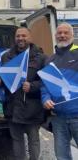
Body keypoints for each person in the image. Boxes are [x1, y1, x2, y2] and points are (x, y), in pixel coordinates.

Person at [0, 27, 46, 160]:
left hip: (32, 108)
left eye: (24, 36)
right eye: (18, 36)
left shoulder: (41, 57)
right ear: (15, 38)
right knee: (17, 140)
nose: (21, 38)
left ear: (30, 38)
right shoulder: (6, 56)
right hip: (13, 107)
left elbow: (47, 82)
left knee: (34, 140)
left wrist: (33, 86)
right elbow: (2, 76)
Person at [41, 23, 78, 160]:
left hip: (77, 116)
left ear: (72, 35)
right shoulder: (50, 60)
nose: (62, 35)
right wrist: (45, 99)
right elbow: (44, 85)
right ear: (55, 36)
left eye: (66, 33)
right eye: (59, 33)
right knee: (62, 156)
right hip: (58, 117)